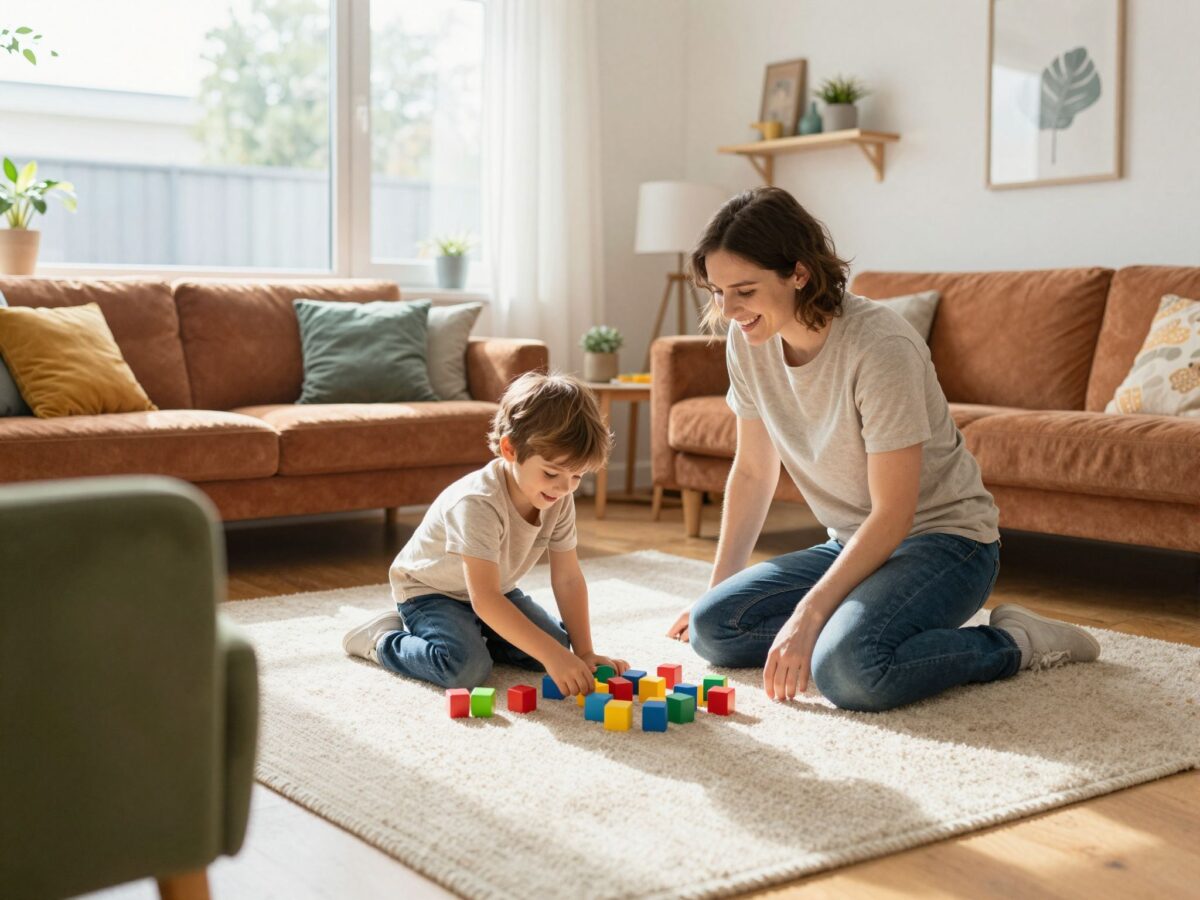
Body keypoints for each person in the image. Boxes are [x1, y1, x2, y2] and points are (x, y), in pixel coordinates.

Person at [666, 187, 1099, 712]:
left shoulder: (880, 347)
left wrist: (808, 615)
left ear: (798, 273)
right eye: (717, 292)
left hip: (947, 544)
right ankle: (854, 617)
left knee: (849, 670)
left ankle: (1015, 643)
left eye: (745, 291)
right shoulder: (748, 341)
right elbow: (755, 472)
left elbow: (895, 513)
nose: (729, 310)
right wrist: (717, 592)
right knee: (715, 631)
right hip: (852, 544)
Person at [344, 371, 629, 695]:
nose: (565, 488)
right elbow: (485, 598)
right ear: (510, 450)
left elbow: (567, 578)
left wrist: (584, 652)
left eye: (577, 476)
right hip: (430, 591)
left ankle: (476, 633)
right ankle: (382, 641)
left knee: (558, 646)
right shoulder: (478, 503)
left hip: (494, 591)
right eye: (552, 473)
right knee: (465, 668)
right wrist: (553, 656)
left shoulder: (558, 497)